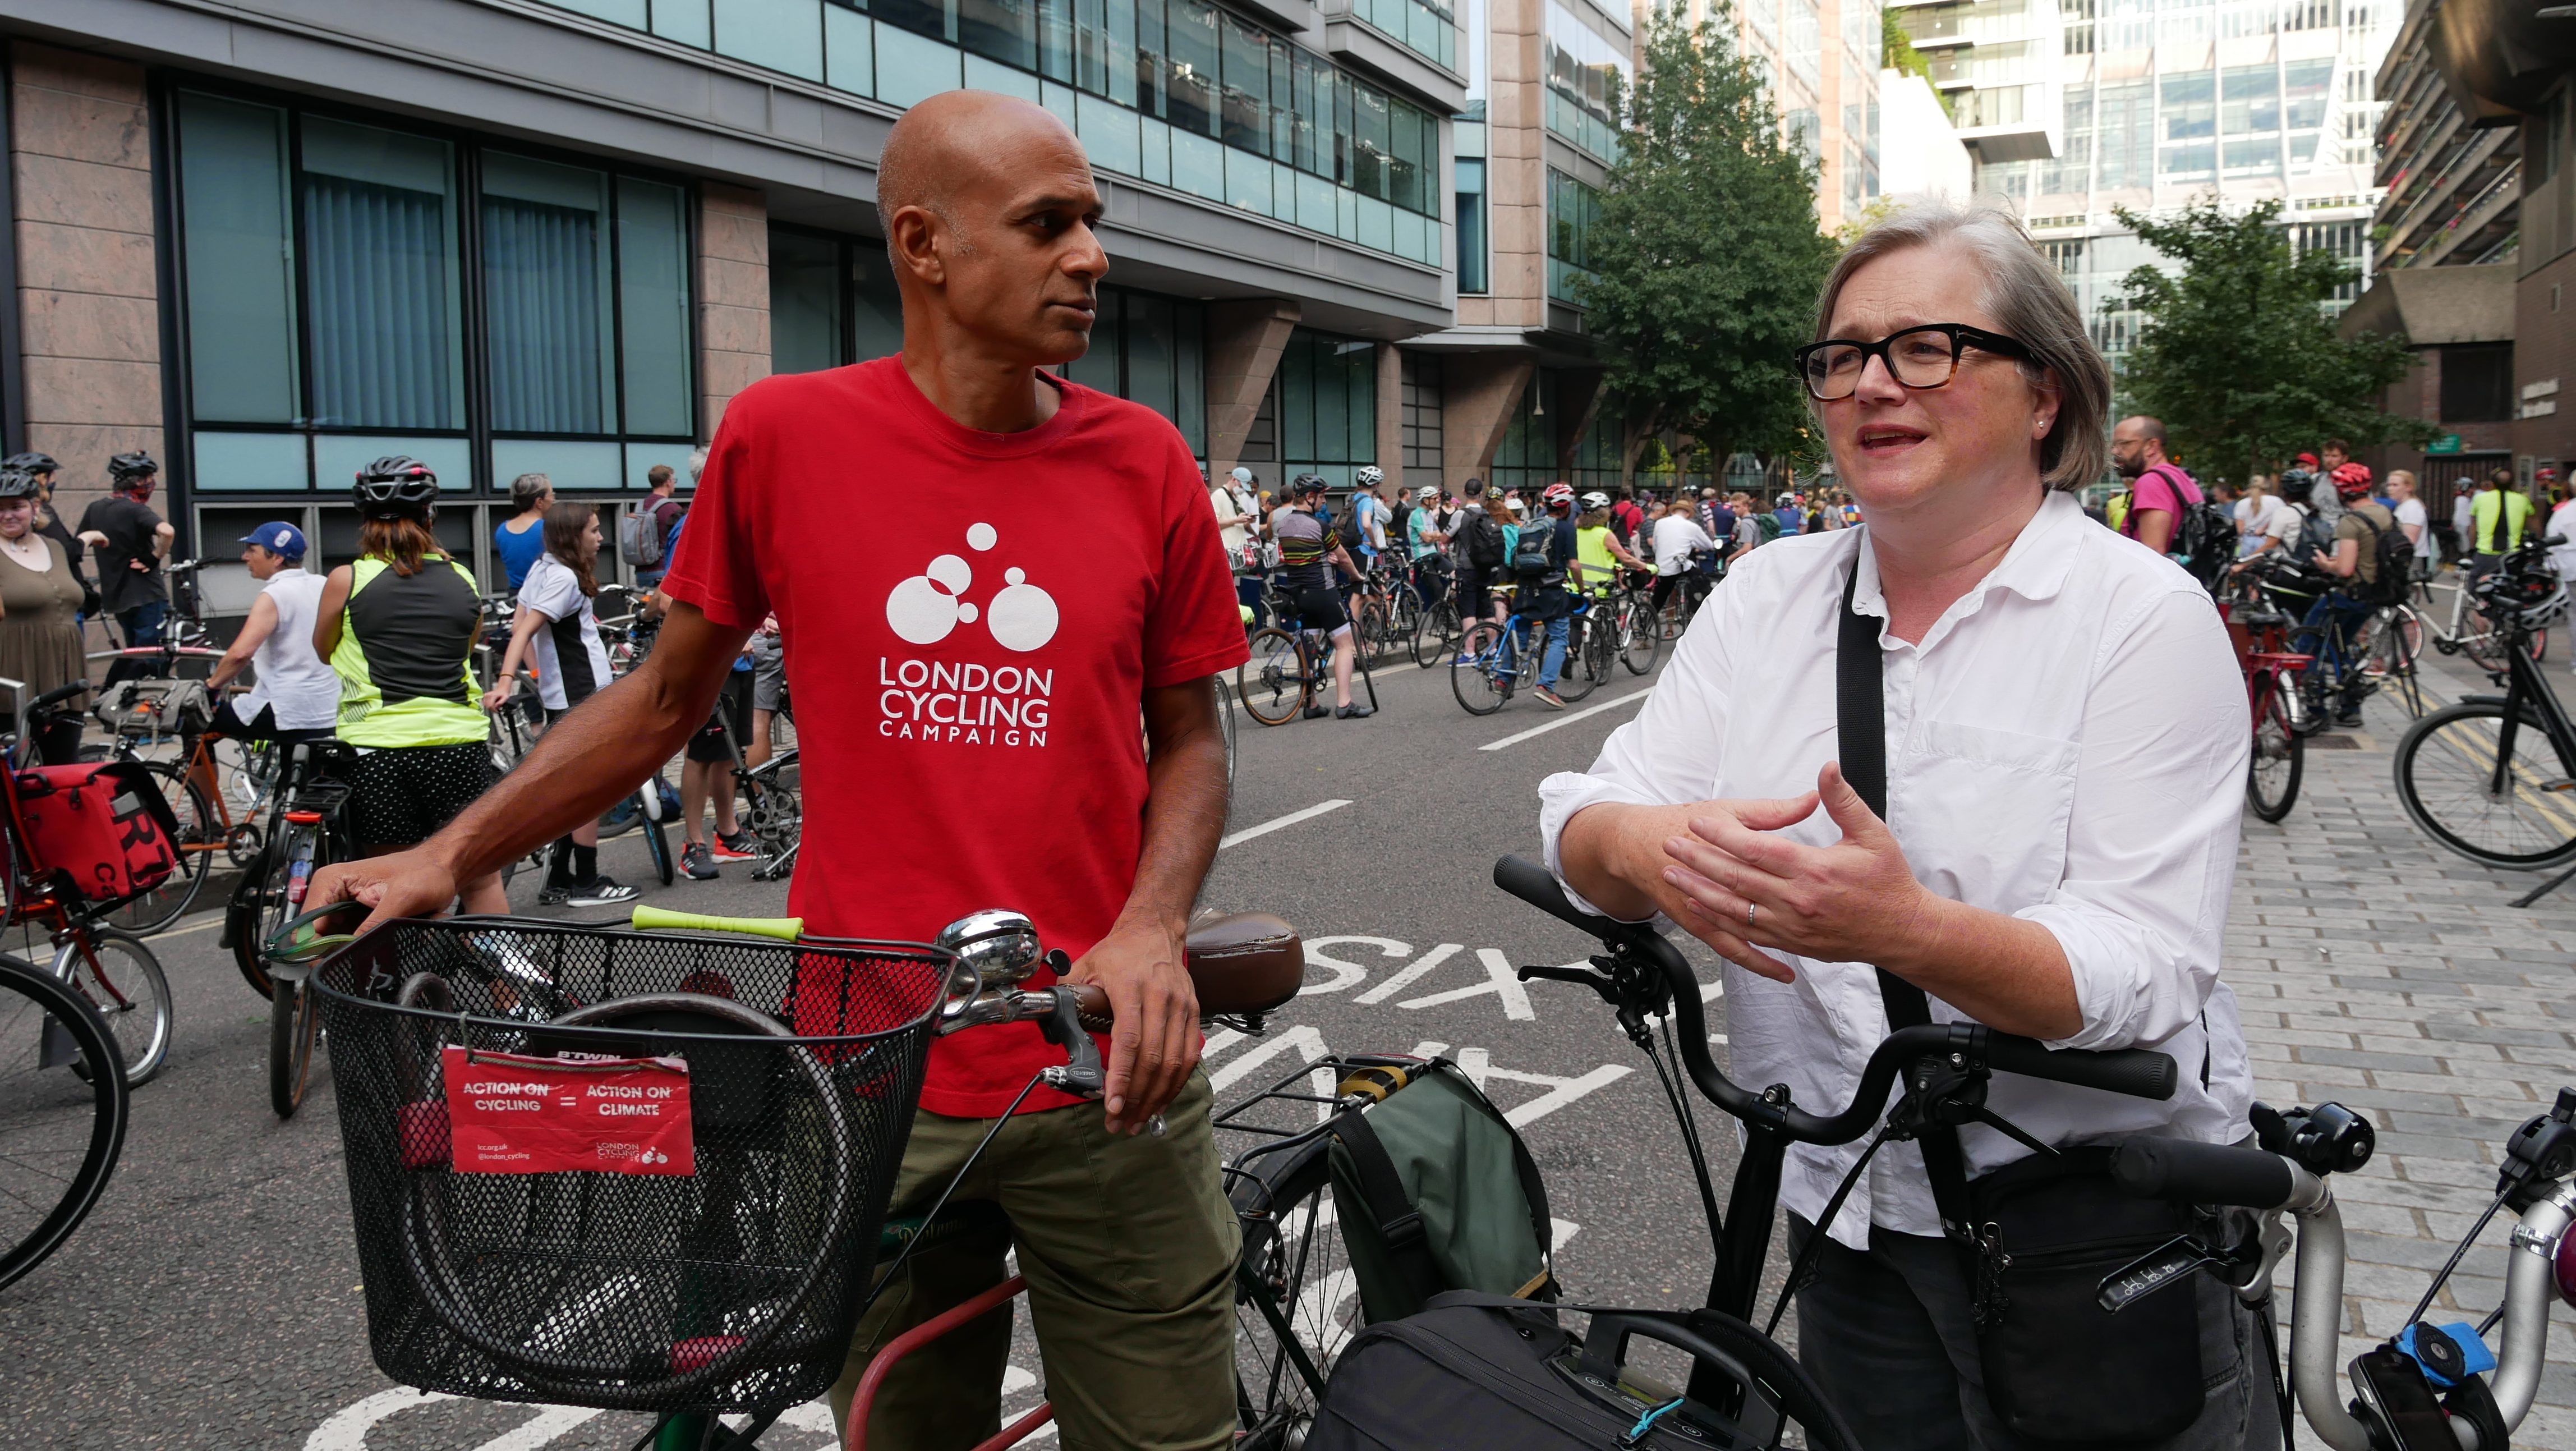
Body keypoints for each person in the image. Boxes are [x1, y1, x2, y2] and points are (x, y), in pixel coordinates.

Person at [313, 91, 1252, 1451]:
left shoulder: (1144, 457)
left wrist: (1153, 924)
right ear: (925, 245)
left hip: (1103, 1058)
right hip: (868, 1070)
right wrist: (447, 854)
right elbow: (664, 700)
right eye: (1049, 225)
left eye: (1093, 224)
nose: (1091, 256)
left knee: (1170, 1440)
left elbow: (1194, 738)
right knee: (898, 1432)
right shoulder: (782, 436)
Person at [1543, 199, 2259, 1451]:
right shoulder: (1766, 594)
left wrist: (1907, 930)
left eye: (1923, 346)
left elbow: (2146, 971)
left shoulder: (2142, 620)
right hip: (1845, 1213)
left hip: (2089, 1229)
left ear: (2043, 393)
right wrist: (1647, 853)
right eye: (1841, 357)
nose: (1871, 384)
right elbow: (1583, 812)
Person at [311, 456, 509, 915]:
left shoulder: (347, 579)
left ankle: (418, 986)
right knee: (479, 882)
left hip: (380, 752)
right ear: (430, 516)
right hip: (460, 744)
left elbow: (323, 650)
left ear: (363, 521)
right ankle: (507, 989)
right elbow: (464, 648)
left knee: (398, 885)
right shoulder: (461, 577)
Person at [482, 502, 640, 908]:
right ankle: (586, 883)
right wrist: (505, 681)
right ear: (573, 537)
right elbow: (524, 633)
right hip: (583, 695)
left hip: (563, 696)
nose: (601, 537)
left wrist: (537, 676)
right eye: (593, 530)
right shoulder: (564, 579)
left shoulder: (542, 569)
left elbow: (520, 626)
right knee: (588, 792)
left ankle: (559, 879)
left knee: (569, 791)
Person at [203, 521, 337, 755]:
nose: (245, 557)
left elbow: (241, 654)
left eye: (252, 550)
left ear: (276, 558)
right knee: (300, 783)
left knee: (195, 723)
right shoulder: (324, 584)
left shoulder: (275, 594)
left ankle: (203, 792)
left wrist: (211, 687)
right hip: (327, 709)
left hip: (286, 710)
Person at [0, 468, 88, 763]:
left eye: (16, 506)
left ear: (35, 508)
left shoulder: (54, 547)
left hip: (65, 676)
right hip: (14, 676)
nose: (7, 515)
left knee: (62, 772)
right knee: (15, 780)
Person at [2299, 462, 2395, 728]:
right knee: (2342, 646)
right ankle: (2351, 708)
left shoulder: (2351, 522)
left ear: (2342, 492)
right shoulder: (2384, 512)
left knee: (2309, 644)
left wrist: (2324, 563)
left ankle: (2315, 710)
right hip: (2374, 595)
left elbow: (2344, 569)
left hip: (2349, 594)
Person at [1275, 473, 1373, 719]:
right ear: (1309, 497)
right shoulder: (1320, 526)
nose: (1324, 501)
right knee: (1345, 644)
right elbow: (1342, 557)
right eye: (1321, 496)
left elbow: (1300, 556)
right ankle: (1344, 703)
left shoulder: (1284, 525)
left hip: (1298, 594)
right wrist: (1355, 577)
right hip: (1322, 592)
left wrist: (1322, 556)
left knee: (1309, 649)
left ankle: (1311, 705)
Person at [77, 451, 173, 686]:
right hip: (147, 595)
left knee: (134, 654)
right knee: (152, 659)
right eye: (148, 479)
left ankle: (120, 703)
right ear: (139, 481)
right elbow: (167, 531)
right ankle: (130, 702)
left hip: (117, 598)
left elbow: (79, 541)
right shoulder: (135, 509)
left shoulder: (96, 508)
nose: (151, 485)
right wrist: (154, 558)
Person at [5, 450, 94, 617]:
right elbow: (67, 552)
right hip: (53, 613)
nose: (8, 516)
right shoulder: (42, 515)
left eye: (16, 507)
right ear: (43, 478)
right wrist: (87, 538)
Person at [1524, 482, 1581, 709]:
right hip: (1551, 589)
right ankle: (1546, 687)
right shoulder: (1566, 529)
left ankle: (1502, 679)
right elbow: (1574, 565)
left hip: (1525, 588)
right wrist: (1582, 587)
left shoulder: (1530, 524)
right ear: (1566, 507)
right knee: (1559, 636)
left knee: (1520, 634)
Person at [2110, 415, 2201, 556]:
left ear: (2152, 446)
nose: (2115, 452)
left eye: (2124, 444)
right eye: (2114, 445)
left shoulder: (2151, 482)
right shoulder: (2180, 477)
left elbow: (2153, 553)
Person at [1649, 489, 1717, 618]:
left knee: (1659, 598)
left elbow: (1656, 546)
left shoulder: (1660, 523)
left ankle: (1648, 621)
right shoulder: (1691, 527)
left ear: (1673, 511)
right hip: (1681, 567)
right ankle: (1697, 613)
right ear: (1687, 514)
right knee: (1702, 583)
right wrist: (1694, 545)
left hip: (1662, 568)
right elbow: (1708, 545)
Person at [1452, 477, 1508, 628]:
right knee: (1487, 612)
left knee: (1469, 612)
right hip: (1486, 568)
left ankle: (1469, 652)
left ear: (1464, 492)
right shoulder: (1487, 514)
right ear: (1481, 494)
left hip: (1467, 568)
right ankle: (1493, 649)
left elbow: (1445, 538)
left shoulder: (1460, 514)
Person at [1212, 463, 1263, 627]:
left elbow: (1237, 521)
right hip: (1226, 550)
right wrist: (1236, 520)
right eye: (1242, 485)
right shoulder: (1219, 495)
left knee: (1235, 589)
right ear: (1234, 480)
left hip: (1238, 551)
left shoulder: (1237, 497)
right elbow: (1214, 523)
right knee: (1230, 591)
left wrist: (1247, 521)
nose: (1243, 489)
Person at [2469, 466, 2534, 582]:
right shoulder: (2523, 500)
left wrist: (2472, 548)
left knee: (2477, 585)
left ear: (2492, 483)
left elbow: (2473, 526)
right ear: (2512, 484)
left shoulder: (2479, 499)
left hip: (2486, 553)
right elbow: (2534, 525)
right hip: (2513, 554)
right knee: (2513, 586)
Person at [630, 462, 687, 591]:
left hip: (640, 571)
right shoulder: (672, 509)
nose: (674, 484)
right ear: (668, 482)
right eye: (674, 480)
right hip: (661, 571)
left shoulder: (640, 506)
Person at [494, 472, 554, 592]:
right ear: (539, 502)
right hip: (544, 593)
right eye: (552, 494)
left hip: (516, 596)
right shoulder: (548, 529)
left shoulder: (502, 530)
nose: (553, 499)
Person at [2386, 469, 2433, 584]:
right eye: (2389, 485)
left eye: (2395, 485)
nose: (2390, 489)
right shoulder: (2403, 506)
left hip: (2411, 559)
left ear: (2409, 487)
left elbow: (2410, 540)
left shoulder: (2412, 508)